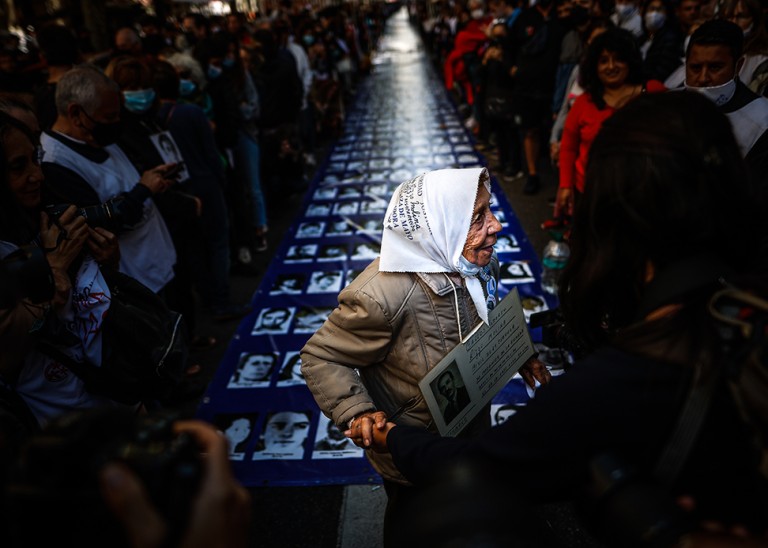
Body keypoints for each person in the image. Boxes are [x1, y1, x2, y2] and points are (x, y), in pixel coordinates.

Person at [371, 92, 768, 543]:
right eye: (478, 217)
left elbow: (480, 467)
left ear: (611, 219)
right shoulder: (746, 302)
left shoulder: (621, 381)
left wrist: (393, 439)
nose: (495, 227)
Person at [301, 167, 549, 543]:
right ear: (442, 225)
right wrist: (358, 411)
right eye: (478, 217)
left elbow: (490, 311)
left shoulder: (481, 261)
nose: (496, 226)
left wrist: (519, 352)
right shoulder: (380, 297)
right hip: (411, 444)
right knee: (415, 521)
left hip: (471, 420)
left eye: (489, 210)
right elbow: (321, 356)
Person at [40, 65, 177, 295]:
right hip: (137, 283)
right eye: (109, 117)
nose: (116, 123)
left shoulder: (98, 135)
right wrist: (143, 189)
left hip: (160, 263)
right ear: (76, 114)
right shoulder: (55, 163)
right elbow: (98, 227)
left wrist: (156, 182)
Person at [555, 27, 665, 218]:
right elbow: (568, 147)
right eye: (603, 61)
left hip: (641, 196)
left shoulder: (653, 93)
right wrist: (565, 185)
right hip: (590, 193)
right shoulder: (584, 102)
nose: (611, 66)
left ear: (630, 60)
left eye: (618, 59)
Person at [684, 19, 768, 186]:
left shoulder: (761, 121)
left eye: (715, 68)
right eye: (695, 68)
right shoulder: (669, 105)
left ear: (738, 66)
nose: (703, 78)